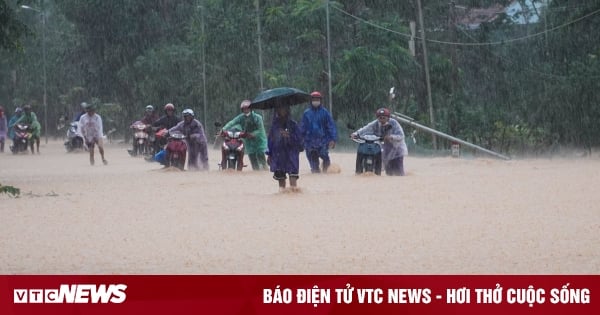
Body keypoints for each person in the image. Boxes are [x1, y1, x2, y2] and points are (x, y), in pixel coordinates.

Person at [351, 107, 407, 176]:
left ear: (388, 118)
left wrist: (391, 137)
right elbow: (365, 128)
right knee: (389, 173)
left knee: (399, 173)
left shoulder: (394, 123)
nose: (382, 120)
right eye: (380, 118)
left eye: (384, 118)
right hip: (386, 150)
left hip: (397, 150)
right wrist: (356, 133)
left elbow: (401, 136)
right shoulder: (375, 124)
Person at [221, 100, 268, 170]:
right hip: (249, 140)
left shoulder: (258, 117)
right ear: (242, 109)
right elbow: (232, 122)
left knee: (260, 156)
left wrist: (253, 134)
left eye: (248, 108)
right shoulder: (241, 117)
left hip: (259, 140)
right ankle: (256, 172)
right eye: (244, 108)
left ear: (251, 109)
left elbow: (260, 130)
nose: (246, 110)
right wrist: (223, 129)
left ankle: (265, 171)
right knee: (252, 157)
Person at [266, 104, 303, 191]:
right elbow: (270, 140)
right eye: (279, 108)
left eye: (284, 108)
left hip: (291, 154)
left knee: (293, 176)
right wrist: (269, 154)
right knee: (280, 178)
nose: (281, 111)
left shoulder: (293, 124)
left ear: (287, 110)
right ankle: (282, 196)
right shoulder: (274, 126)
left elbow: (299, 140)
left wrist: (289, 136)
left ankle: (293, 195)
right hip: (278, 154)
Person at [300, 91, 337, 173]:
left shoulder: (325, 113)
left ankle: (327, 174)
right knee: (314, 167)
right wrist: (300, 140)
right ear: (311, 100)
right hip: (309, 142)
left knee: (326, 159)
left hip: (323, 141)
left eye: (317, 99)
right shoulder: (306, 113)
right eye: (314, 99)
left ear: (320, 100)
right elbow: (302, 128)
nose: (315, 101)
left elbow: (331, 126)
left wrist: (333, 139)